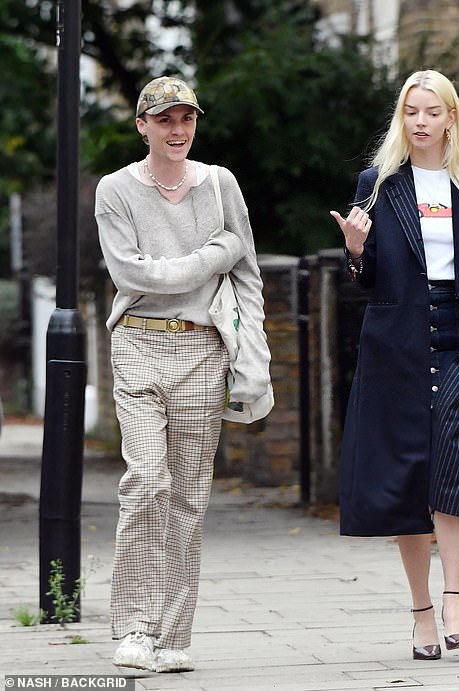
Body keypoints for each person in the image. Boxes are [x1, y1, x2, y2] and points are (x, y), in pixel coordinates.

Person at [330, 69, 459, 660]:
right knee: (411, 477)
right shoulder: (378, 186)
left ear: (450, 118)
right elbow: (367, 281)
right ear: (401, 118)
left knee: (454, 469)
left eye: (432, 111)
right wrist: (356, 251)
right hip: (397, 345)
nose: (420, 121)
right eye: (411, 111)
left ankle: (455, 598)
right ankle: (422, 612)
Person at [95, 76, 270, 673]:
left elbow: (247, 278)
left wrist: (254, 360)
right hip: (139, 343)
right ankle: (134, 628)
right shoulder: (114, 190)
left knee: (188, 498)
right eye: (164, 119)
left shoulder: (220, 185)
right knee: (146, 482)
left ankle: (170, 638)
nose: (177, 130)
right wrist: (213, 255)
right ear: (142, 125)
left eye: (186, 119)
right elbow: (137, 276)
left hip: (203, 349)